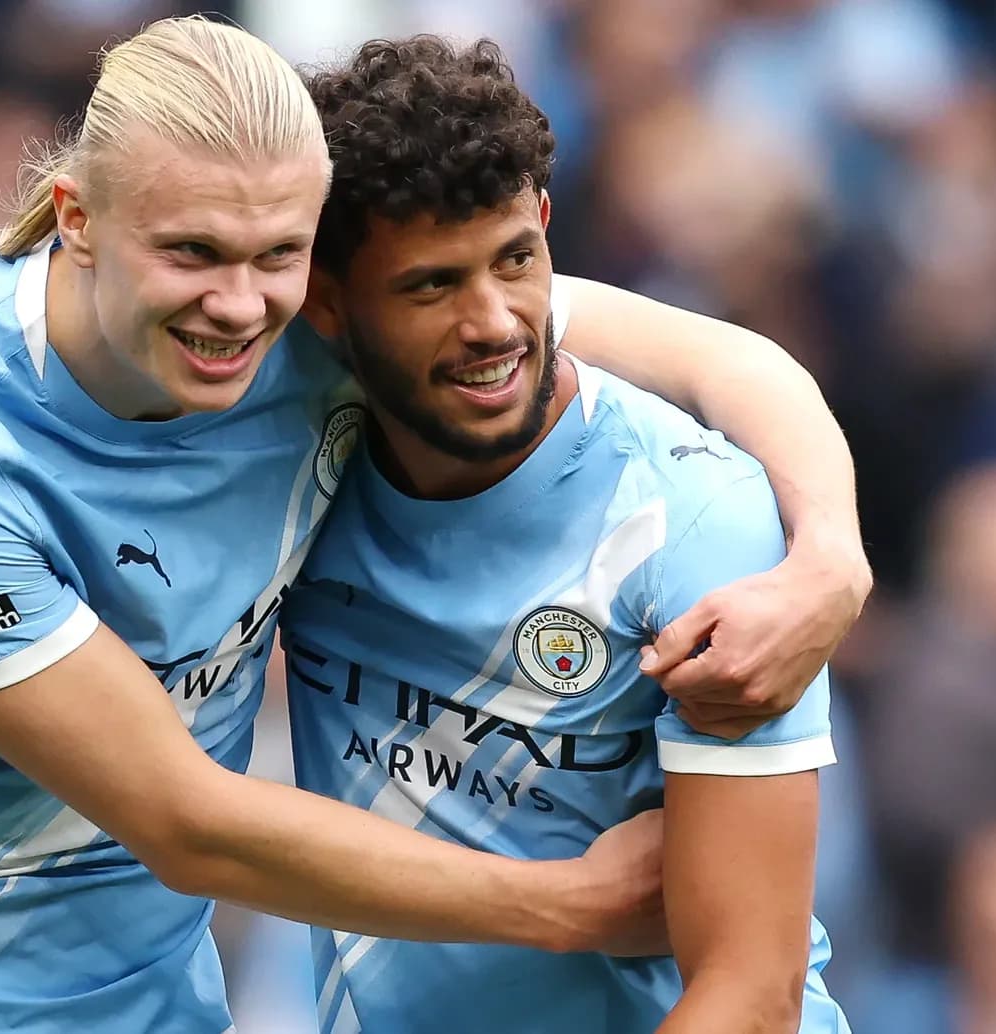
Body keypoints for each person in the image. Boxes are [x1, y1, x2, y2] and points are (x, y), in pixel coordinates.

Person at [0, 17, 870, 1034]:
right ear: (73, 217)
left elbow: (712, 356)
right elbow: (188, 820)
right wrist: (570, 898)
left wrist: (827, 556)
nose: (239, 306)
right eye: (192, 252)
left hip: (153, 994)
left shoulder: (335, 341)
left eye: (277, 257)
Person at [280, 37, 847, 1032]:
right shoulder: (285, 449)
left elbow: (752, 996)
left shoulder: (696, 527)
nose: (492, 321)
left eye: (515, 260)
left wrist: (834, 551)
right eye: (429, 286)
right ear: (326, 299)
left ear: (544, 225)